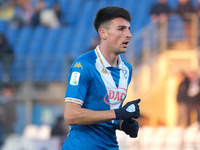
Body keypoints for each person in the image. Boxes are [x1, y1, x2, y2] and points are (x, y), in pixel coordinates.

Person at [62, 6, 141, 150]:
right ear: (103, 33)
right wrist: (118, 113)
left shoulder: (126, 69)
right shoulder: (83, 65)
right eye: (121, 29)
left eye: (129, 28)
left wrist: (122, 124)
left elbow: (105, 111)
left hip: (110, 146)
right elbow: (71, 115)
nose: (129, 34)